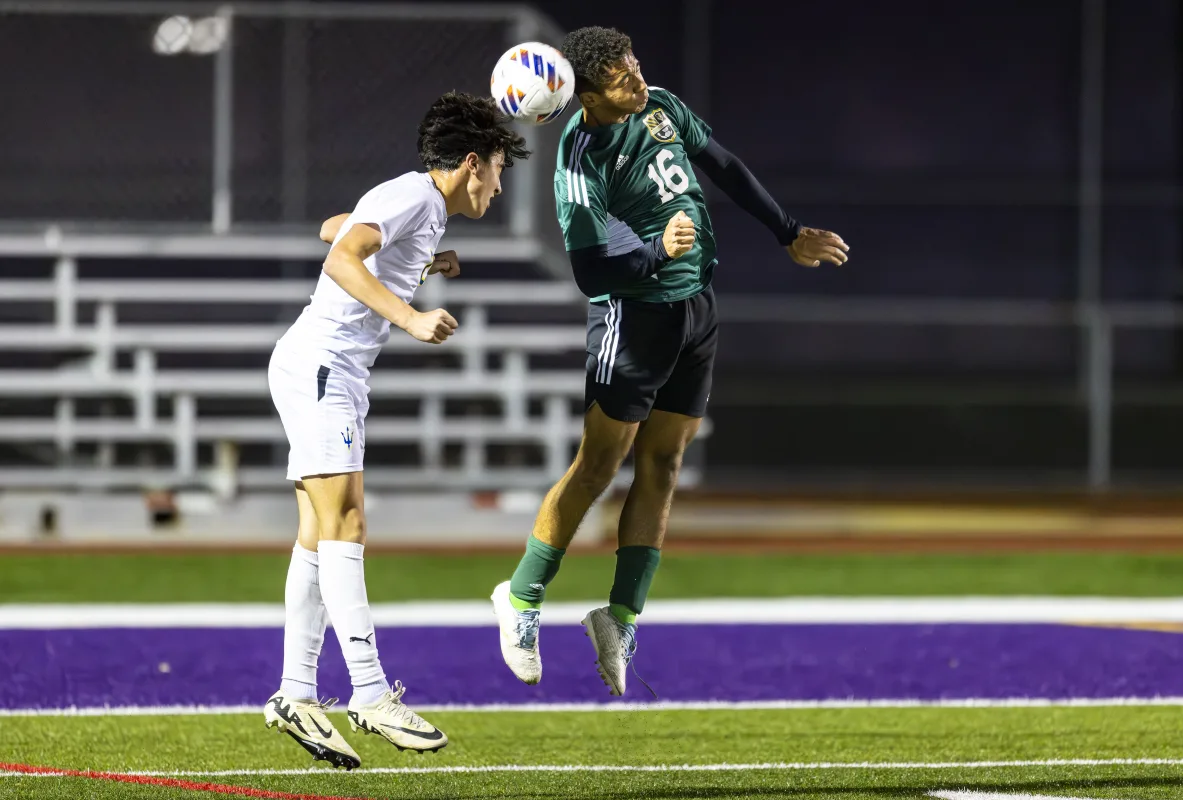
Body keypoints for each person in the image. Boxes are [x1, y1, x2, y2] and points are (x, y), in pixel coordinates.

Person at [490, 27, 848, 697]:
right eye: (624, 79)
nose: (638, 82)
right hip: (633, 314)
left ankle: (620, 616)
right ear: (587, 94)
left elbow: (725, 165)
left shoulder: (660, 104)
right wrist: (656, 248)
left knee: (666, 461)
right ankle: (520, 596)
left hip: (695, 308)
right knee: (599, 463)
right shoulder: (580, 153)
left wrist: (788, 232)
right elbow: (587, 265)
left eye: (637, 68)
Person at [263, 91, 530, 768]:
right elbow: (341, 256)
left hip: (325, 369)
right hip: (325, 367)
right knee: (347, 523)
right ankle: (370, 693)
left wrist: (420, 262)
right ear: (472, 164)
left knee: (318, 533)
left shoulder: (422, 209)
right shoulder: (416, 197)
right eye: (499, 168)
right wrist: (412, 316)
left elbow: (337, 228)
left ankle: (298, 692)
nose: (500, 185)